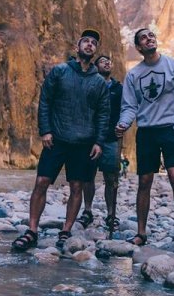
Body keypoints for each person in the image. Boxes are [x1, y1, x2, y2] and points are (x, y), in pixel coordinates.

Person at [11, 29, 109, 252]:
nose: (90, 45)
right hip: (56, 139)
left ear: (95, 50)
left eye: (94, 43)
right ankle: (32, 231)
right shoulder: (60, 71)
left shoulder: (99, 83)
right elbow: (45, 101)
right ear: (77, 47)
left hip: (84, 142)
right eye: (86, 41)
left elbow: (103, 114)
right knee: (41, 182)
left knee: (77, 186)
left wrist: (99, 142)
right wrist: (45, 130)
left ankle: (66, 230)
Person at [115, 28, 174, 255]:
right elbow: (130, 106)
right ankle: (141, 232)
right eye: (143, 38)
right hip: (146, 131)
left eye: (151, 36)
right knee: (144, 180)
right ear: (139, 47)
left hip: (170, 129)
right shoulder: (133, 75)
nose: (149, 39)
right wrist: (123, 123)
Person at [77, 54, 123, 231]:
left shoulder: (119, 88)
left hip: (111, 138)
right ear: (95, 66)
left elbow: (126, 108)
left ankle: (111, 214)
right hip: (90, 137)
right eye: (103, 61)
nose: (107, 63)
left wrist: (123, 125)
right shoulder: (89, 84)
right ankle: (87, 210)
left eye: (109, 61)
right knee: (88, 176)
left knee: (111, 177)